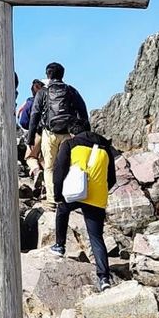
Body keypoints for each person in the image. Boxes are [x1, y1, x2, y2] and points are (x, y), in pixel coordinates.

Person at [51, 119, 117, 292]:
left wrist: (58, 195)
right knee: (96, 237)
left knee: (62, 211)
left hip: (75, 192)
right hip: (97, 197)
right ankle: (104, 278)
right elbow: (112, 179)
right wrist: (100, 190)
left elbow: (59, 170)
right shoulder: (106, 148)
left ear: (72, 132)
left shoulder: (70, 144)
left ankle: (60, 245)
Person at [26, 62, 89, 208]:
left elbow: (35, 114)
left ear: (48, 75)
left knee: (49, 167)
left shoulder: (43, 92)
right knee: (67, 165)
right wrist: (85, 133)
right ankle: (69, 196)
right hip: (68, 134)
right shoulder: (70, 90)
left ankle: (52, 199)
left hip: (50, 133)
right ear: (62, 74)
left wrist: (30, 138)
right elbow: (82, 109)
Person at [19, 79, 45, 186]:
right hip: (52, 132)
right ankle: (46, 186)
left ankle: (36, 170)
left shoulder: (30, 103)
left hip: (37, 133)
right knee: (45, 160)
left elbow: (23, 122)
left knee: (30, 157)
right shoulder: (49, 100)